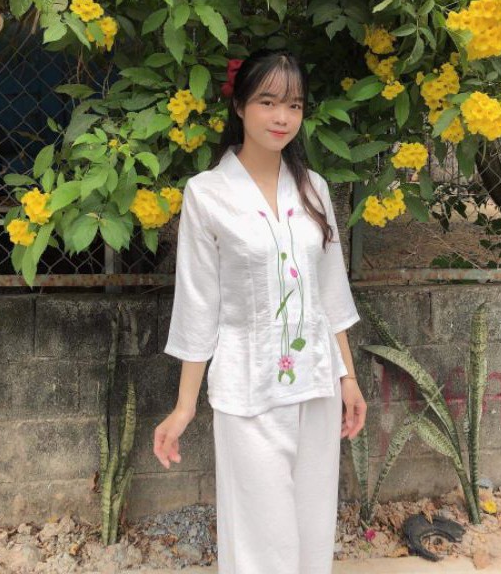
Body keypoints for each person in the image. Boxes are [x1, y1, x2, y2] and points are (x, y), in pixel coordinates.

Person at [152, 48, 367, 574]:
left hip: (316, 382)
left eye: (294, 105)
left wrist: (349, 378)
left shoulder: (314, 189)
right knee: (261, 538)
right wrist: (184, 406)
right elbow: (198, 304)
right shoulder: (207, 194)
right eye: (268, 102)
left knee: (313, 526)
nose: (282, 117)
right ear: (240, 106)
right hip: (247, 389)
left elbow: (330, 293)